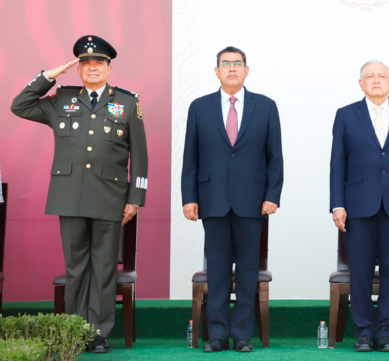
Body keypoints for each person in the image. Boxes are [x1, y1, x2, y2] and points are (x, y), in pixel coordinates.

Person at [10, 35, 148, 353]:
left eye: (98, 63)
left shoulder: (127, 102)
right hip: (69, 195)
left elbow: (139, 155)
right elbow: (20, 105)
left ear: (109, 69)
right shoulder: (62, 99)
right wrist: (49, 76)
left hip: (110, 197)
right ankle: (74, 329)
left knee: (102, 267)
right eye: (85, 64)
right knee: (76, 267)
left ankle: (98, 333)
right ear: (78, 70)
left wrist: (135, 198)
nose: (92, 68)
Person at [181, 46, 283, 353]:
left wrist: (272, 195)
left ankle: (242, 335)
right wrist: (189, 197)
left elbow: (275, 157)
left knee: (249, 270)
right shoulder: (200, 107)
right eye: (225, 64)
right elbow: (190, 157)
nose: (232, 68)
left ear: (246, 70)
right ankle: (217, 335)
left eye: (237, 63)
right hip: (212, 200)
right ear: (216, 72)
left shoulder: (265, 107)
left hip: (253, 202)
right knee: (218, 270)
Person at [329, 60, 389, 352]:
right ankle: (362, 333)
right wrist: (337, 204)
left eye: (381, 76)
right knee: (358, 271)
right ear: (360, 84)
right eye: (369, 76)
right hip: (357, 206)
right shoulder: (346, 115)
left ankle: (384, 332)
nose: (375, 80)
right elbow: (337, 164)